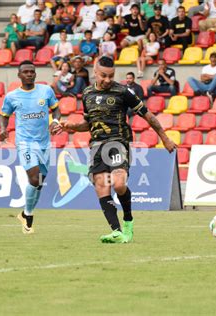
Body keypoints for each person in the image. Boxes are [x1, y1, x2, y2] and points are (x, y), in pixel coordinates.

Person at [54, 56, 176, 243]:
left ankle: (128, 222)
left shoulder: (123, 92)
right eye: (103, 76)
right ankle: (117, 232)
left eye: (111, 76)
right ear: (95, 72)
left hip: (118, 142)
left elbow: (148, 116)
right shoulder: (87, 93)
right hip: (96, 145)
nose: (108, 80)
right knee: (102, 186)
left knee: (118, 184)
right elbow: (88, 123)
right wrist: (71, 126)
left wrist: (165, 138)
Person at [0, 60, 61, 234]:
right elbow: (4, 115)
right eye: (25, 72)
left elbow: (56, 109)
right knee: (34, 178)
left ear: (35, 74)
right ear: (19, 75)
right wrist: (4, 129)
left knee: (39, 182)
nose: (29, 74)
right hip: (25, 143)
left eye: (31, 71)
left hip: (44, 143)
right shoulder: (12, 96)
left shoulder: (46, 91)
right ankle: (28, 215)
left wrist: (55, 121)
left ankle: (26, 213)